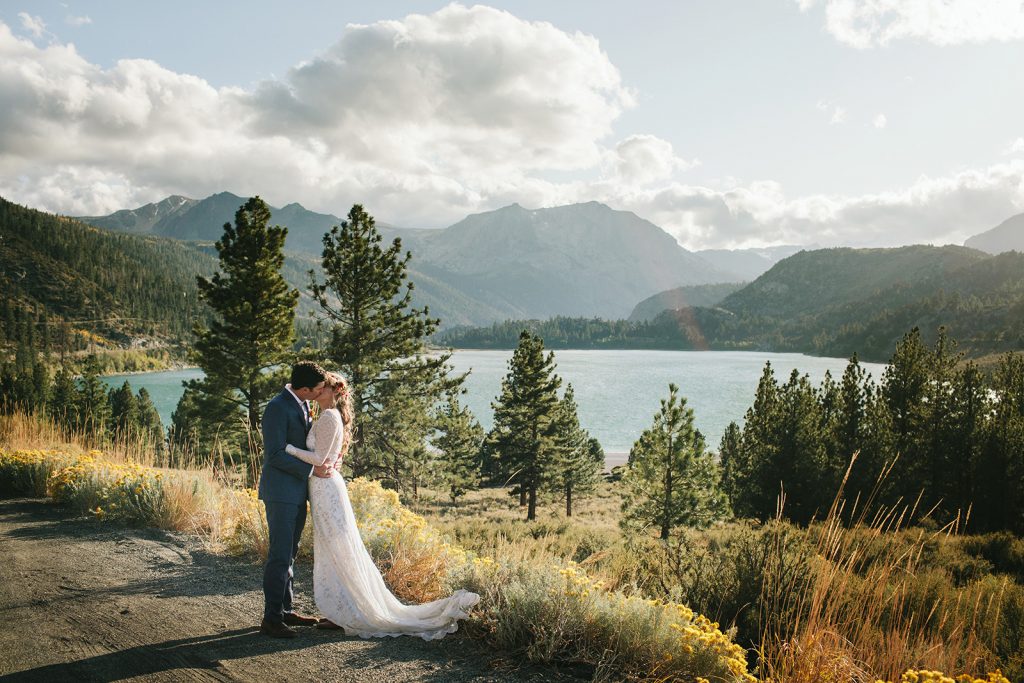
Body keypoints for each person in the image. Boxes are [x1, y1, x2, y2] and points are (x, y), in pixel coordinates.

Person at [285, 371, 480, 640]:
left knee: (340, 549)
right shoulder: (327, 415)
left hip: (326, 489)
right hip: (322, 487)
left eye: (323, 388)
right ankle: (342, 610)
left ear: (333, 392)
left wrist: (289, 450)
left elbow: (319, 458)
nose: (317, 391)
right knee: (333, 550)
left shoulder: (330, 417)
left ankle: (349, 612)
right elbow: (325, 457)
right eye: (317, 387)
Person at [258, 360, 330, 638]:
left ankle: (285, 611)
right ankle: (271, 618)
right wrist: (312, 469)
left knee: (290, 552)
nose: (321, 393)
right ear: (304, 388)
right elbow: (274, 453)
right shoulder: (277, 407)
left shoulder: (302, 403)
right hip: (280, 493)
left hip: (297, 491)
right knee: (279, 555)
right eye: (318, 389)